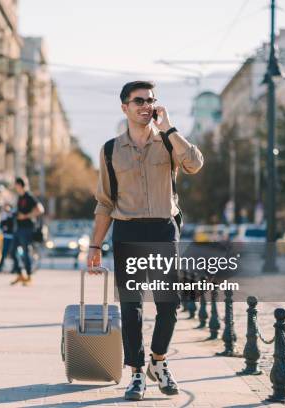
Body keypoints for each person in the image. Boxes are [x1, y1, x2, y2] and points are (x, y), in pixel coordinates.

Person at [87, 81, 204, 401]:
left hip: (164, 229)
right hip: (128, 231)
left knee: (170, 304)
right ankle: (137, 372)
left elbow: (194, 164)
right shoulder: (110, 150)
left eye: (151, 100)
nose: (146, 106)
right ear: (124, 106)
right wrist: (95, 245)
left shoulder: (168, 143)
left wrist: (169, 128)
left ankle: (159, 361)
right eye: (139, 100)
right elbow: (105, 202)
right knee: (132, 306)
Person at [11, 177, 44, 286]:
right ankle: (20, 274)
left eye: (16, 185)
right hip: (19, 228)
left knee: (25, 252)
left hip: (27, 228)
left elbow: (40, 209)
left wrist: (25, 216)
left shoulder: (29, 196)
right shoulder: (20, 197)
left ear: (20, 185)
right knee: (12, 251)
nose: (15, 187)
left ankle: (29, 277)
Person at [0, 204, 18, 273]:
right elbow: (1, 225)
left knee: (12, 253)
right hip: (6, 236)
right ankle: (1, 267)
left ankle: (15, 268)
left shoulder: (13, 215)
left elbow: (13, 225)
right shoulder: (4, 216)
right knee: (5, 252)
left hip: (12, 236)